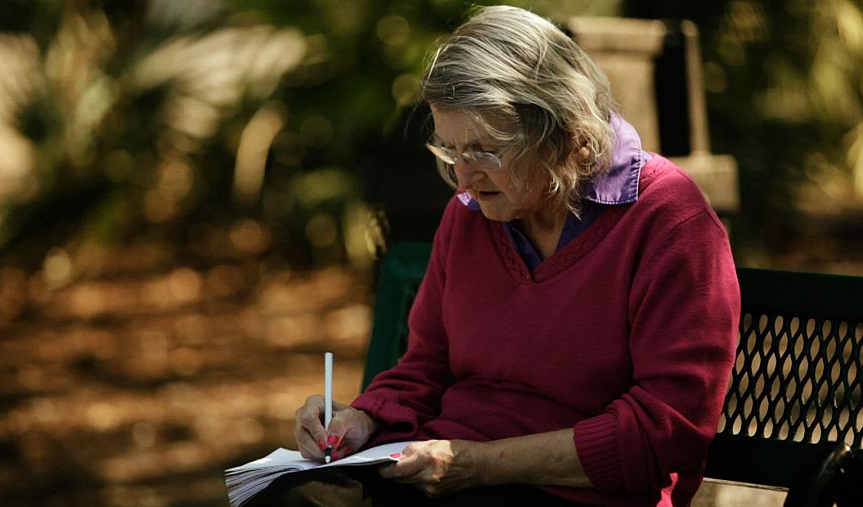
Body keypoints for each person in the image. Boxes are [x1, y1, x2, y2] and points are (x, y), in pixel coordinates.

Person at [262, 5, 740, 506]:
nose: (463, 179)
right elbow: (426, 367)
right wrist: (362, 419)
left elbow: (665, 430)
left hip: (573, 494)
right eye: (451, 151)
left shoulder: (668, 220)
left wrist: (482, 465)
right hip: (448, 477)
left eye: (484, 151)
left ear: (562, 132)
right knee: (291, 496)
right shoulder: (471, 213)